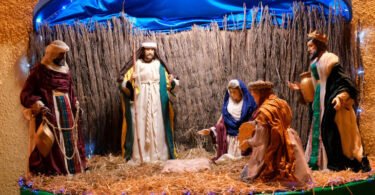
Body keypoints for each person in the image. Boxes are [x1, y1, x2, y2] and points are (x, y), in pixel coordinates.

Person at [288, 31, 370, 172]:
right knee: (317, 128)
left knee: (331, 129)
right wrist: (301, 89)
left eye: (311, 46)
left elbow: (343, 82)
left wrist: (340, 96)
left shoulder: (330, 60)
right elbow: (314, 83)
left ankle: (334, 163)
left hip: (329, 96)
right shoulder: (315, 61)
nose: (308, 49)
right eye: (308, 46)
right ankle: (317, 162)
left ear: (319, 46)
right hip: (319, 97)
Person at [20, 40, 86, 175]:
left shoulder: (66, 70)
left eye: (64, 55)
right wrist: (37, 103)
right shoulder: (40, 70)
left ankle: (72, 171)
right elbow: (26, 93)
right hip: (51, 114)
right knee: (54, 143)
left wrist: (76, 104)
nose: (63, 58)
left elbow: (71, 91)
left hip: (67, 113)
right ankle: (56, 172)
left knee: (71, 139)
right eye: (60, 55)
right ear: (53, 55)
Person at [239, 80, 313, 186]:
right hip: (290, 141)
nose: (253, 99)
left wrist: (248, 143)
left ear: (261, 94)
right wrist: (255, 123)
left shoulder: (264, 112)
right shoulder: (281, 103)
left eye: (254, 95)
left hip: (275, 149)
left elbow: (261, 141)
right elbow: (283, 120)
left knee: (250, 173)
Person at [118, 40, 179, 163]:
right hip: (141, 100)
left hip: (157, 99)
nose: (150, 52)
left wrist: (173, 81)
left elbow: (171, 85)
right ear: (143, 51)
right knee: (140, 124)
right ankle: (141, 157)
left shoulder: (159, 66)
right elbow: (124, 85)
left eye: (152, 50)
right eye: (147, 49)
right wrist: (130, 80)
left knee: (158, 125)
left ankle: (159, 156)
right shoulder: (137, 65)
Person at [198, 79, 256, 162]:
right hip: (231, 139)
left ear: (241, 91)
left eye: (234, 92)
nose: (232, 94)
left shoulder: (249, 105)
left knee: (245, 160)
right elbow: (222, 123)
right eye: (230, 92)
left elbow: (254, 122)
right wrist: (210, 130)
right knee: (227, 160)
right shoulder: (228, 105)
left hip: (244, 139)